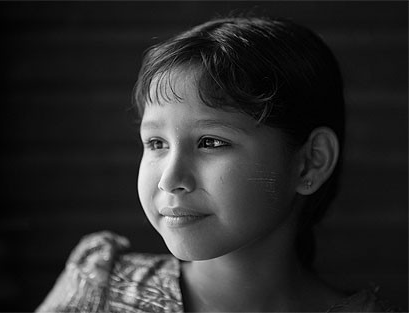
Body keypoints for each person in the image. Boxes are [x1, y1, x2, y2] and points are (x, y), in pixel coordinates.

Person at [36, 16, 397, 312]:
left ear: (309, 162)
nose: (170, 179)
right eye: (156, 143)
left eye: (211, 142)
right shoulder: (100, 289)